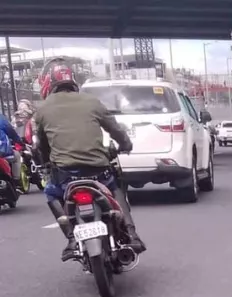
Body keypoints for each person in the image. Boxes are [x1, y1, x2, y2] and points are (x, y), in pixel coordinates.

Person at [34, 62, 146, 262]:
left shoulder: (43, 109)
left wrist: (45, 162)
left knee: (51, 193)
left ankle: (70, 238)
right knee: (116, 187)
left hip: (66, 174)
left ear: (49, 83)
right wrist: (125, 145)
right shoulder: (92, 101)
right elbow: (115, 129)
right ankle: (132, 235)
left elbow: (41, 144)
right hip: (98, 171)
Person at [0, 111, 25, 188]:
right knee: (16, 156)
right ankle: (16, 181)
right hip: (3, 152)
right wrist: (20, 142)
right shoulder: (1, 119)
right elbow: (12, 133)